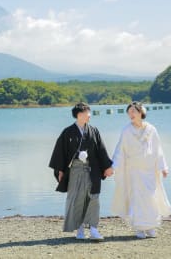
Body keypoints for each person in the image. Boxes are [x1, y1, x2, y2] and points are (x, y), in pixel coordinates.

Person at [49, 102, 113, 241]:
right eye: (86, 113)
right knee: (76, 198)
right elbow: (60, 152)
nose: (89, 115)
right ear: (78, 115)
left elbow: (101, 150)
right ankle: (80, 229)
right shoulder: (68, 132)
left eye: (89, 112)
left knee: (93, 198)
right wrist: (59, 170)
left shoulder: (94, 130)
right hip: (75, 170)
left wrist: (107, 166)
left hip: (92, 168)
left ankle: (94, 229)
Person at [111, 101, 171, 239]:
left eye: (133, 111)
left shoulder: (151, 129)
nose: (130, 114)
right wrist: (113, 166)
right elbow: (120, 150)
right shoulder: (126, 130)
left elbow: (158, 149)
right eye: (129, 112)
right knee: (137, 199)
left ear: (140, 113)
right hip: (134, 171)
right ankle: (139, 228)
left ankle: (151, 227)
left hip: (150, 171)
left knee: (151, 198)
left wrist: (163, 167)